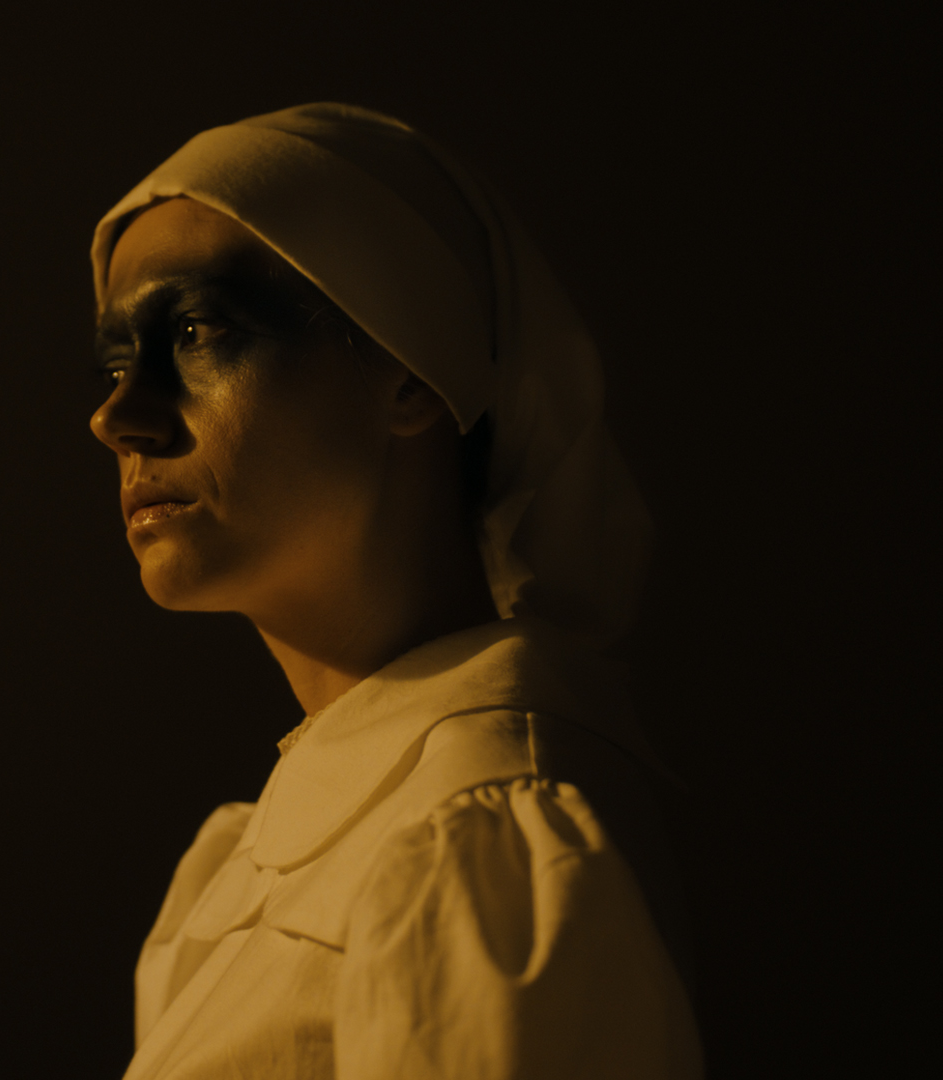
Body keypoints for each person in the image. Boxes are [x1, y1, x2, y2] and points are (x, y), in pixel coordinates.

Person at [88, 104, 703, 1079]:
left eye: (199, 331)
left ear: (413, 370)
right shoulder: (259, 862)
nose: (118, 417)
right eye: (118, 360)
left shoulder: (479, 833)